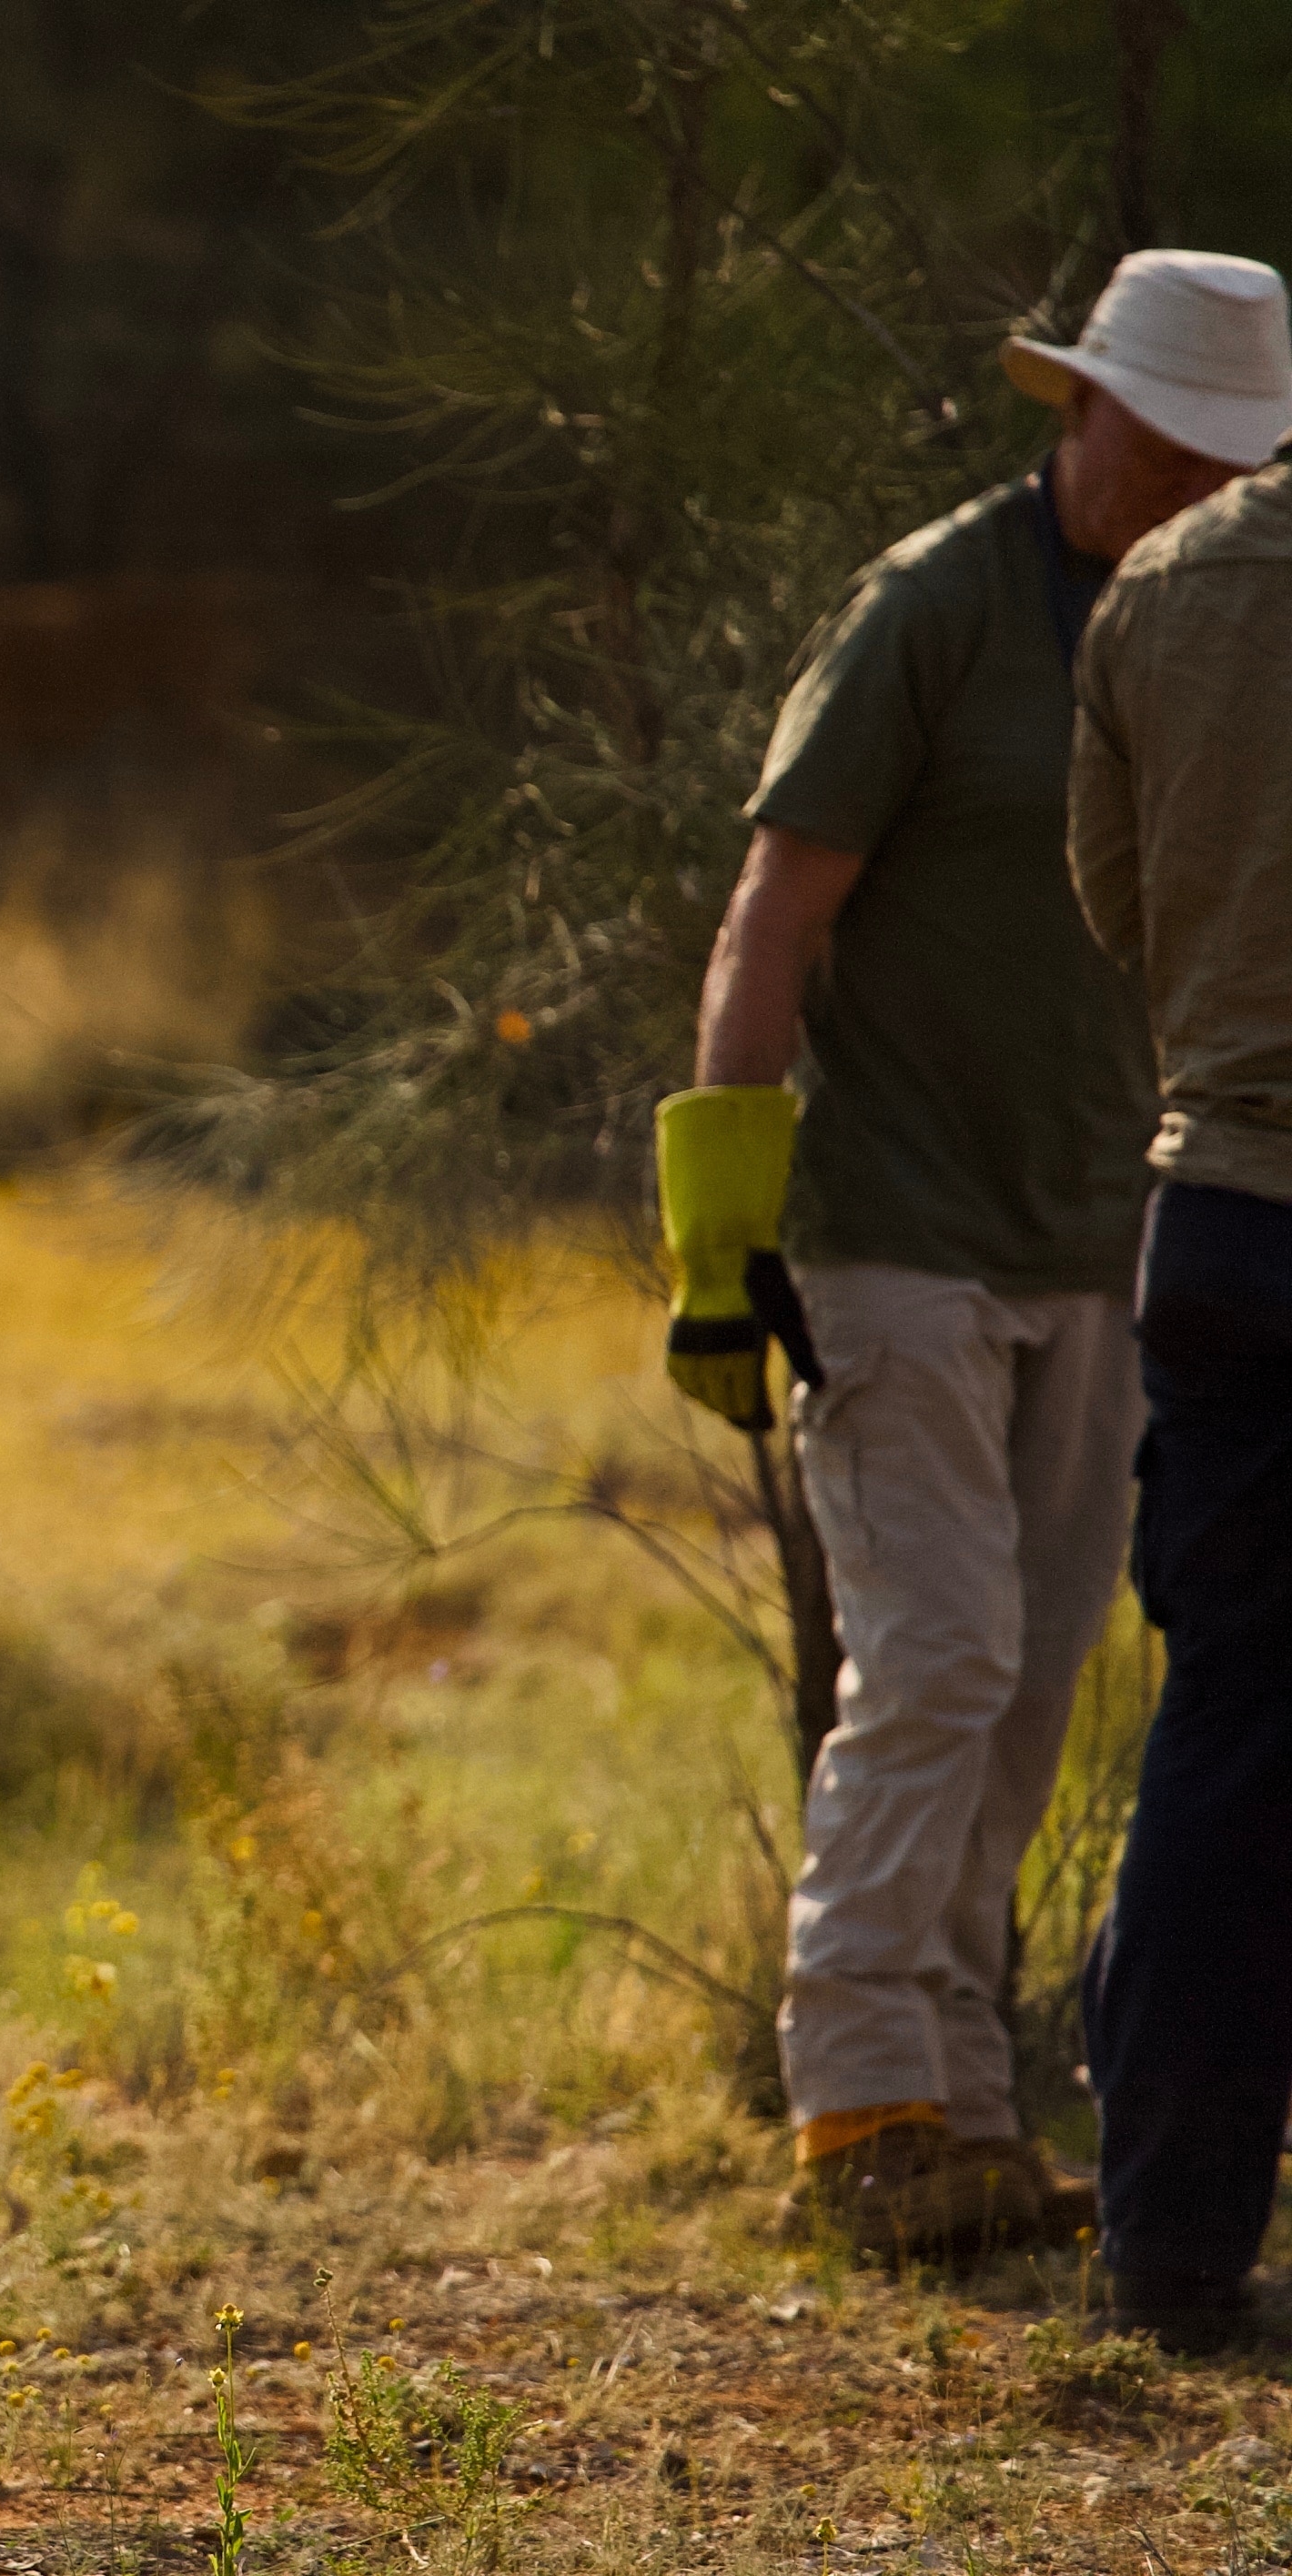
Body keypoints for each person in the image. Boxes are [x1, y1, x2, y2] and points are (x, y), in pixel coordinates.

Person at [657, 248, 1292, 2265]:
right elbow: (773, 913)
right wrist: (716, 1228)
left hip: (1111, 1224)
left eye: (1223, 459)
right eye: (1161, 443)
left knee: (1024, 1695)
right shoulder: (930, 605)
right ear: (1079, 412)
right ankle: (856, 2102)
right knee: (929, 1662)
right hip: (894, 1221)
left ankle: (966, 2109)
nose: (1184, 485)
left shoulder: (1210, 619)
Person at [1069, 368, 1292, 2353]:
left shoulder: (1162, 584)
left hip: (1217, 1213)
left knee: (1224, 1720)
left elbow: (1112, 896)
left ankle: (1166, 2243)